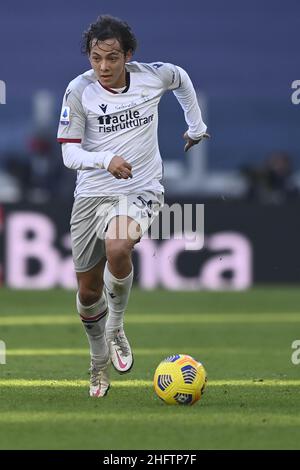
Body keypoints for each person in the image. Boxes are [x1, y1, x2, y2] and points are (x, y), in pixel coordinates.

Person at [57, 15, 209, 397]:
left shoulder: (153, 76)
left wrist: (195, 126)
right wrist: (104, 159)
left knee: (118, 245)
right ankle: (97, 362)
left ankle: (116, 327)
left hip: (141, 187)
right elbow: (70, 155)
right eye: (96, 58)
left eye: (112, 57)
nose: (104, 67)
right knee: (88, 293)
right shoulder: (79, 91)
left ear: (128, 54)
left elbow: (182, 78)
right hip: (92, 193)